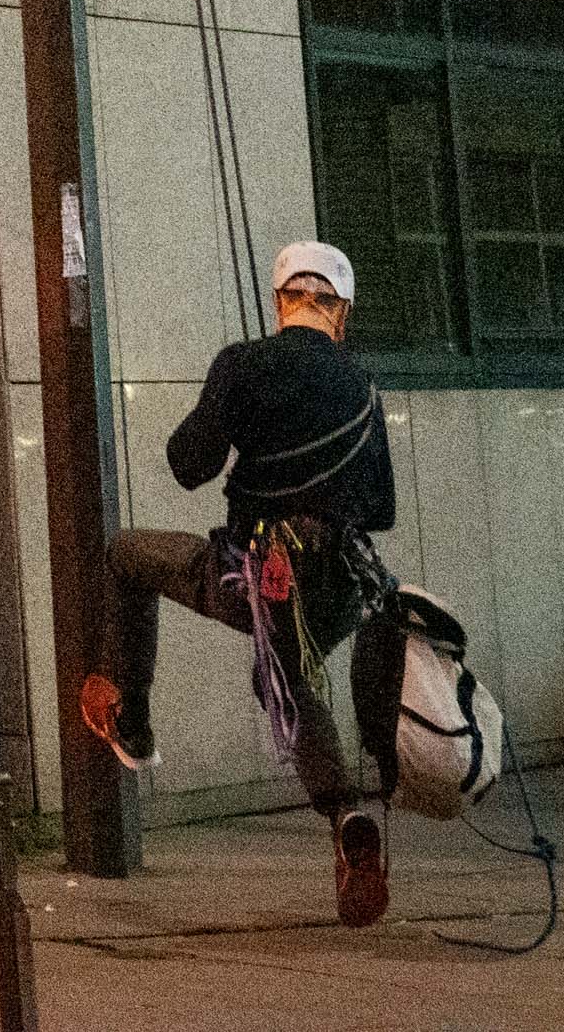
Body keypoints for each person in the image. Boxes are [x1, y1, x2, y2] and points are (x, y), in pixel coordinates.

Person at [85, 239, 400, 928]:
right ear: (340, 309)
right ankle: (347, 816)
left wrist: (231, 413)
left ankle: (132, 718)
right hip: (342, 580)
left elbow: (188, 464)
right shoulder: (363, 382)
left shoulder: (243, 363)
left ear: (281, 299)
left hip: (258, 575)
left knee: (125, 556)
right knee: (284, 671)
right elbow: (380, 506)